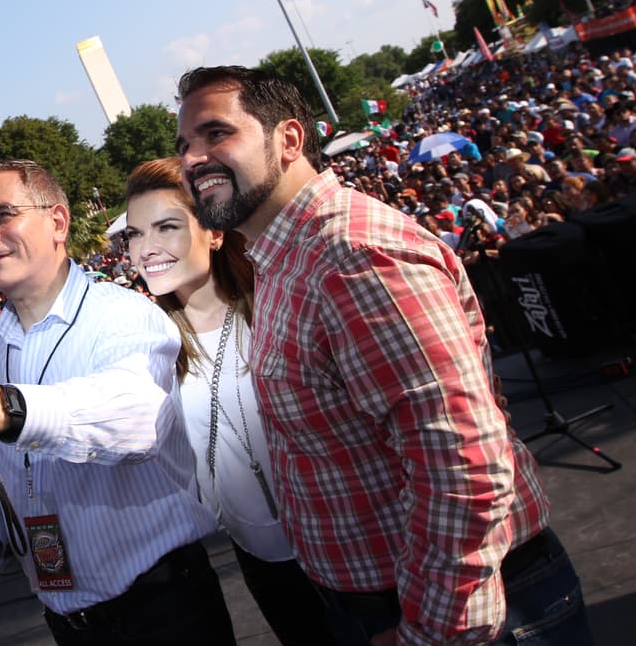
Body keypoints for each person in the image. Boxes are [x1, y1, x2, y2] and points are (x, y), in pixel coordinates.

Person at [174, 65, 591, 645]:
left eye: (216, 133)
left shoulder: (351, 253)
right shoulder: (285, 256)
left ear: (289, 140)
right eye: (184, 145)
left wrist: (431, 630)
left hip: (459, 613)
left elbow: (463, 461)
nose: (193, 159)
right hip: (384, 604)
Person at [0, 159, 233, 646]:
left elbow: (140, 415)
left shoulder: (120, 314)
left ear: (58, 222)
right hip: (67, 620)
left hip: (163, 609)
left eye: (2, 214)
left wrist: (5, 409)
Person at [123, 157, 335, 646]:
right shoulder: (148, 351)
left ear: (214, 233)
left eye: (166, 227)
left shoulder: (276, 306)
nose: (146, 249)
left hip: (348, 547)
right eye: (134, 234)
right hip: (262, 565)